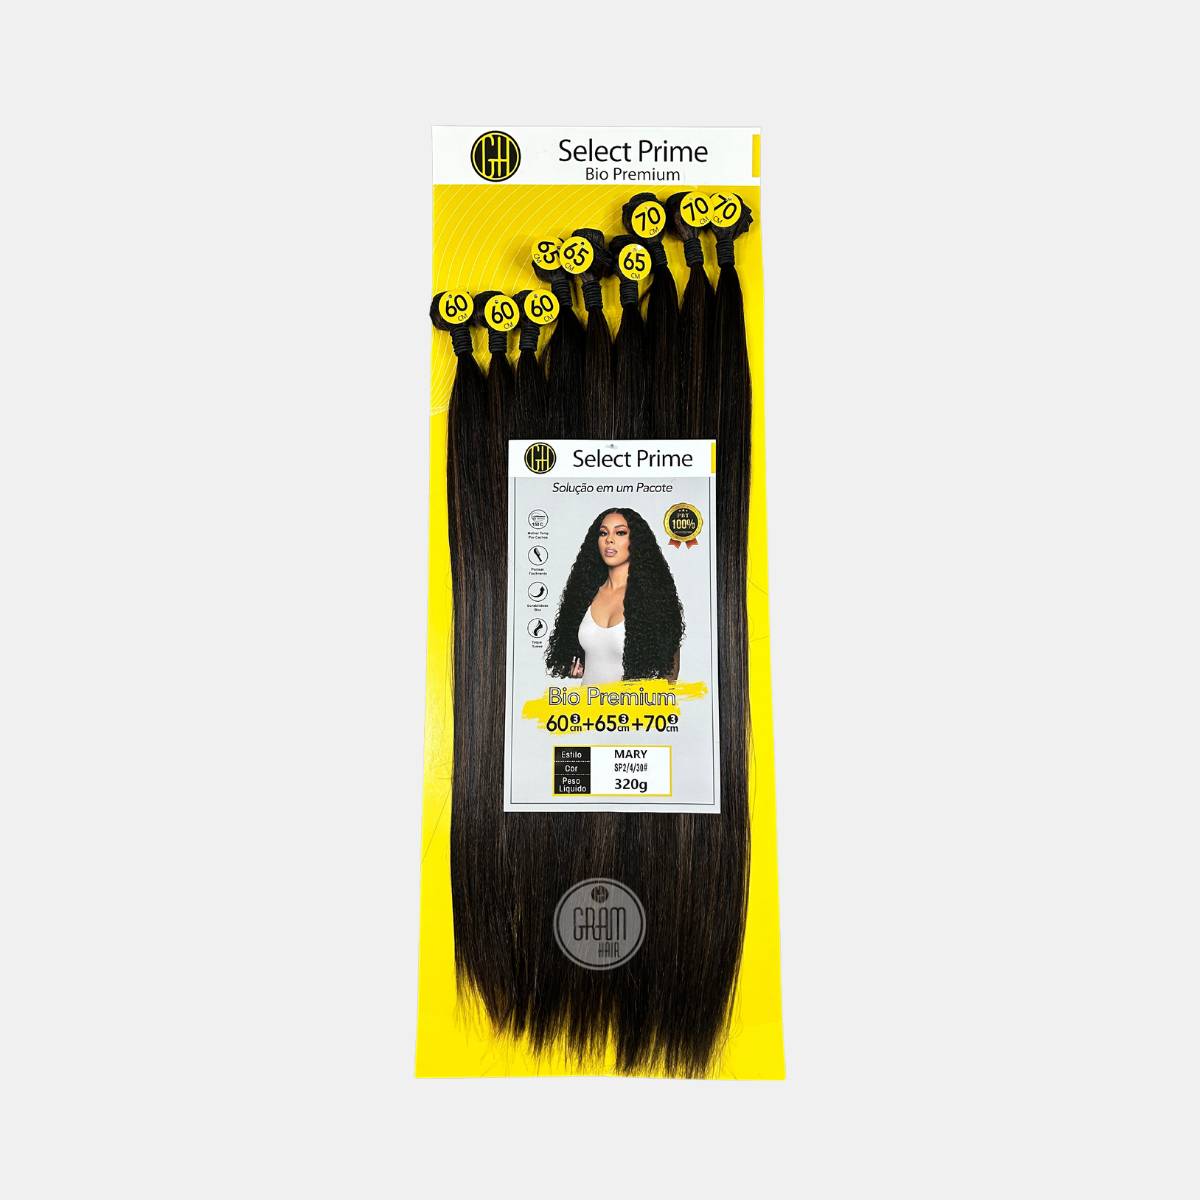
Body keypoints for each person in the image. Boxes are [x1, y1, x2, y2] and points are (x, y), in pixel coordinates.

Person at [545, 508, 683, 684]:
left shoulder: (655, 597)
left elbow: (670, 673)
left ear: (635, 541)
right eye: (603, 533)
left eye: (620, 533)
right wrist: (576, 663)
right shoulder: (585, 594)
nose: (609, 539)